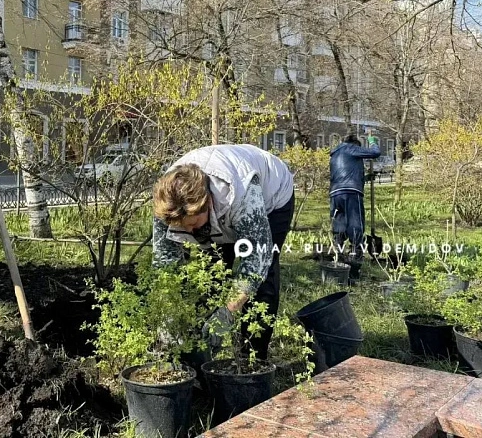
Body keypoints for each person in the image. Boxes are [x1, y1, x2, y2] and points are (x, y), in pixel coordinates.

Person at [152, 144, 295, 361]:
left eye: (192, 224)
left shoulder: (242, 194)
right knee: (211, 275)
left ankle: (252, 358)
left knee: (263, 283)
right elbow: (165, 264)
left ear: (208, 203)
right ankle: (205, 352)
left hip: (272, 198)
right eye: (183, 227)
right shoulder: (167, 204)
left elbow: (256, 262)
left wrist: (228, 311)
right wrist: (168, 316)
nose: (189, 231)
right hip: (222, 211)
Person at [328, 131, 380, 278]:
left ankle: (339, 255)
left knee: (339, 224)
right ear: (355, 145)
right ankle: (356, 256)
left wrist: (367, 178)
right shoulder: (351, 148)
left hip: (335, 193)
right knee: (355, 224)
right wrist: (371, 139)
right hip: (351, 192)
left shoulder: (335, 154)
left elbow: (345, 173)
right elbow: (375, 152)